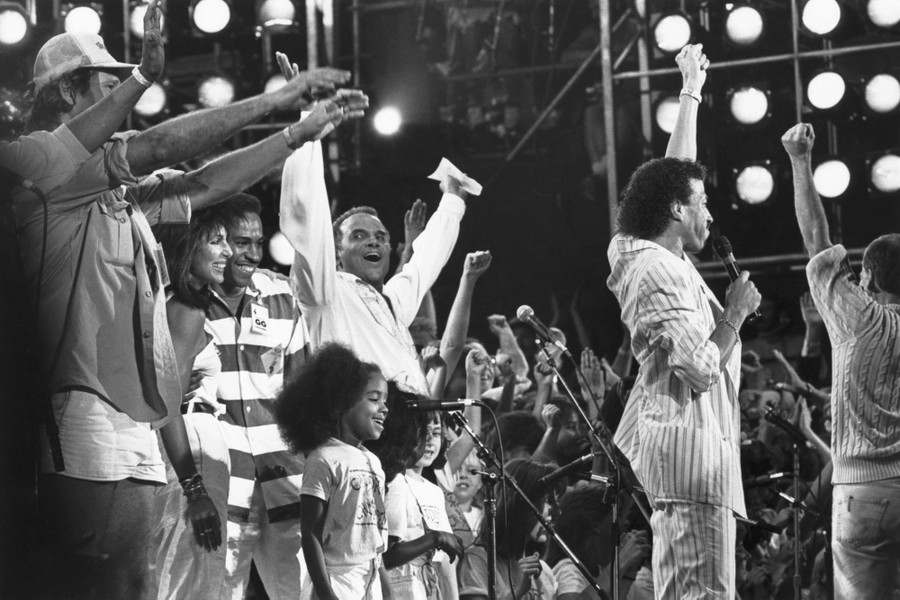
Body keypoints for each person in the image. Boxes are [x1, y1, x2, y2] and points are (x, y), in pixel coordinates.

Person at [606, 44, 761, 598]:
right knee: (705, 594)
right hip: (693, 459)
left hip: (684, 460)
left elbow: (677, 175)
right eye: (702, 203)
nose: (710, 213)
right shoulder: (657, 271)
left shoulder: (643, 255)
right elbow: (699, 368)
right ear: (675, 210)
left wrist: (690, 90)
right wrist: (736, 314)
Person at [781, 122, 900, 600]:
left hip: (861, 494)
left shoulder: (859, 316)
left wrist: (799, 160)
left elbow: (816, 238)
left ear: (867, 276)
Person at [279, 116, 469, 395]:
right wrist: (309, 125)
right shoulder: (326, 294)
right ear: (336, 252)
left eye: (381, 237)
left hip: (406, 430)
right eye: (358, 236)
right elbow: (304, 214)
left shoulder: (391, 302)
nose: (374, 242)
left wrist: (452, 198)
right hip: (354, 434)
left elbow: (427, 260)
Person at [151, 210, 235, 599]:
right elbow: (169, 402)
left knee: (172, 578)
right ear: (187, 247)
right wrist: (195, 489)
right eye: (216, 241)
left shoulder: (162, 302)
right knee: (195, 580)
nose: (229, 252)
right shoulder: (186, 311)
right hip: (191, 450)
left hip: (178, 452)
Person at [275, 343, 391, 600]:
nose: (384, 408)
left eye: (385, 401)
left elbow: (376, 543)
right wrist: (327, 593)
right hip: (337, 582)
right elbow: (311, 534)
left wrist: (387, 592)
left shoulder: (375, 464)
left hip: (369, 582)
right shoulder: (324, 458)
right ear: (342, 403)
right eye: (374, 399)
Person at [383, 409, 464, 599]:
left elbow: (445, 560)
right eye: (422, 434)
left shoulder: (435, 491)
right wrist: (433, 539)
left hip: (428, 587)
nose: (430, 441)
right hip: (400, 585)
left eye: (436, 434)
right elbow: (386, 554)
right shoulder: (395, 481)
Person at [458, 458, 559, 600]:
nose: (556, 511)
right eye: (547, 501)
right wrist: (519, 592)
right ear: (519, 505)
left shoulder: (544, 572)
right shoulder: (477, 560)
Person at [547, 484, 651, 600]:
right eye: (619, 514)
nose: (626, 522)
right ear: (597, 524)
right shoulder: (569, 570)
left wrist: (629, 573)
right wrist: (621, 560)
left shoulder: (598, 570)